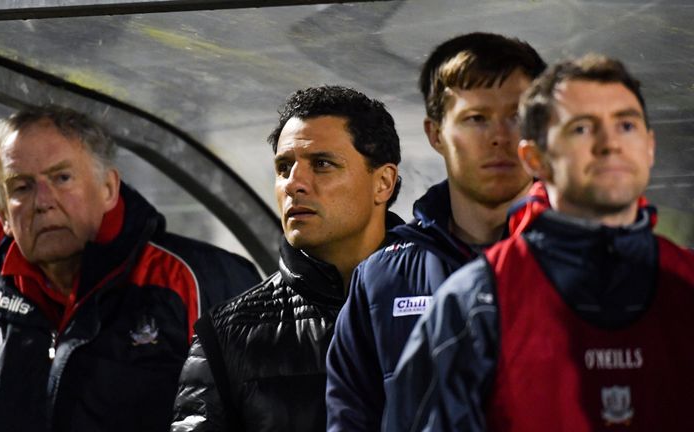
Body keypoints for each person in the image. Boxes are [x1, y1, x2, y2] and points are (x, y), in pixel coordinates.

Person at [385, 54, 694, 431]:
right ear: (535, 158)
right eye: (581, 128)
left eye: (626, 125)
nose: (609, 144)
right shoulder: (475, 304)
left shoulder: (687, 284)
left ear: (649, 146)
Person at [0, 106, 260, 432]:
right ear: (1, 216)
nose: (43, 201)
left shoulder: (197, 280)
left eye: (62, 177)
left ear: (108, 189)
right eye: (21, 187)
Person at [325, 32, 546, 431]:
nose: (500, 136)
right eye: (476, 119)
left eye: (517, 116)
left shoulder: (600, 264)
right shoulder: (380, 281)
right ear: (435, 134)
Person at [170, 85, 403, 432]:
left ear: (383, 183)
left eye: (322, 164)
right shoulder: (225, 336)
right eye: (284, 167)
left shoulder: (449, 300)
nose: (294, 184)